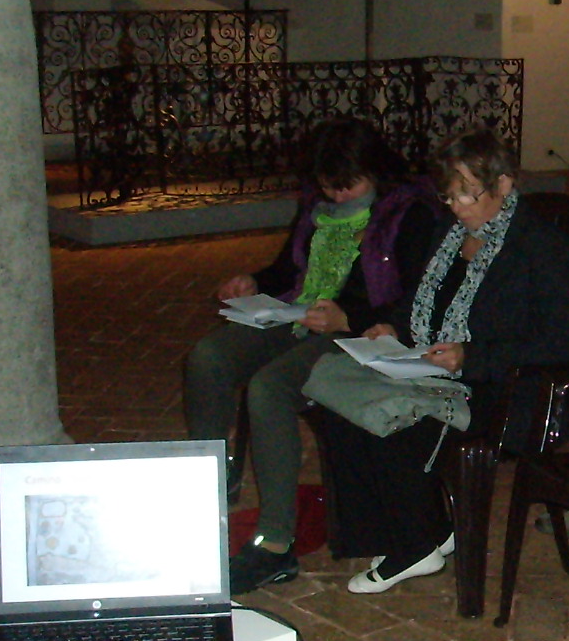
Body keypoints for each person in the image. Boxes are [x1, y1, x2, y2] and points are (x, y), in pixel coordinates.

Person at [315, 130, 569, 592]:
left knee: (392, 421)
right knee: (337, 405)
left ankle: (415, 545)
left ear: (503, 184)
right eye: (449, 195)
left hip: (499, 389)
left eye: (466, 194)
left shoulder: (539, 245)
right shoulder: (451, 233)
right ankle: (412, 532)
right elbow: (422, 297)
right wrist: (394, 328)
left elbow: (561, 342)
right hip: (434, 365)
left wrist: (471, 357)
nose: (456, 206)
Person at [182, 119, 440, 592]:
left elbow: (417, 300)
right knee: (209, 356)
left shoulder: (408, 214)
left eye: (347, 185)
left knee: (270, 388)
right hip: (301, 314)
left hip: (358, 334)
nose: (337, 195)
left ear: (374, 171)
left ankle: (275, 544)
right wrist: (255, 282)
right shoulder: (318, 208)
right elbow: (290, 270)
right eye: (328, 185)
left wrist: (349, 317)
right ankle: (210, 480)